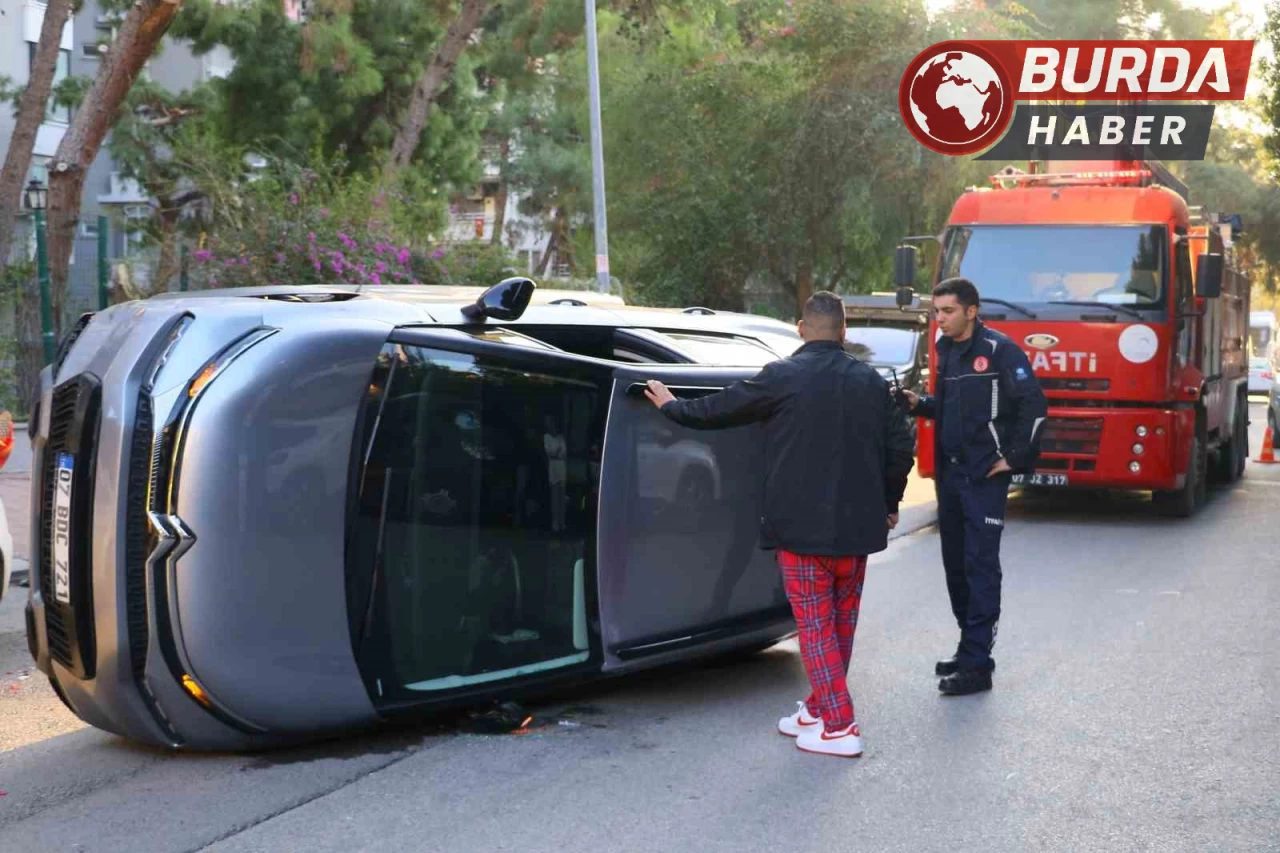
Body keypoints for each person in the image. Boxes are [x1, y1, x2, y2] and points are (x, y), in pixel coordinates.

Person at [644, 291, 915, 758]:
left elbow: (720, 409)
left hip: (801, 531)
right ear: (844, 332)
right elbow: (900, 449)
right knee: (839, 626)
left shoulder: (783, 377)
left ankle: (840, 727)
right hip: (857, 532)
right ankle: (816, 709)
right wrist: (890, 503)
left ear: (800, 328)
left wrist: (671, 406)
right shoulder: (871, 382)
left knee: (815, 628)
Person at [902, 278, 1047, 696]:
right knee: (956, 567)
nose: (940, 319)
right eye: (936, 311)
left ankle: (977, 666)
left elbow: (1034, 407)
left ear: (971, 310)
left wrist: (1014, 459)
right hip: (950, 478)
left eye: (947, 311)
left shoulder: (1000, 351)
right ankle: (971, 648)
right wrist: (919, 404)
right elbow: (947, 409)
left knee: (980, 567)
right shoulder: (946, 351)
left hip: (984, 479)